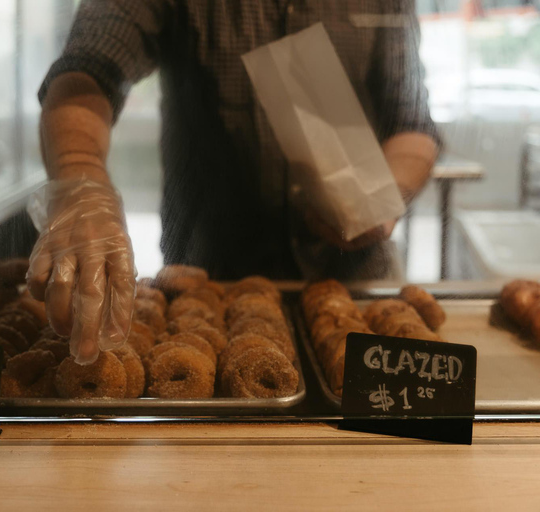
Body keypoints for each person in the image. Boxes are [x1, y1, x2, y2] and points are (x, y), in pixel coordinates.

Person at [28, 0, 440, 363]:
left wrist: (383, 198)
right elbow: (87, 69)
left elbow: (412, 122)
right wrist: (81, 178)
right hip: (207, 288)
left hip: (357, 289)